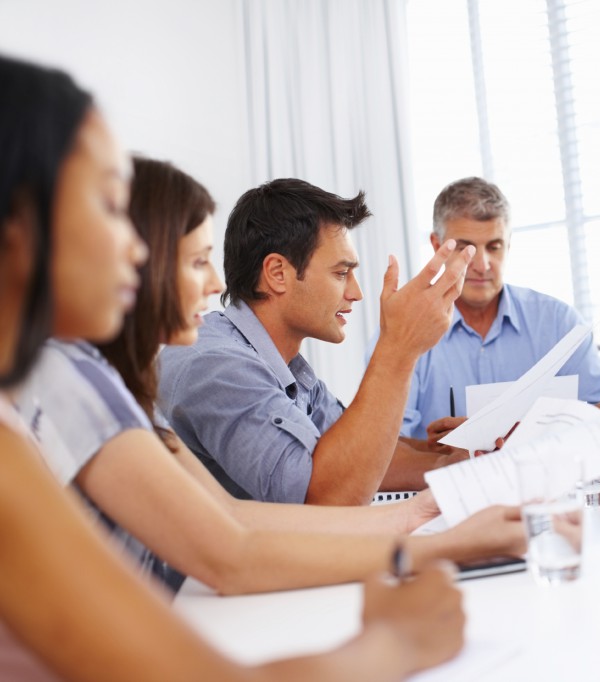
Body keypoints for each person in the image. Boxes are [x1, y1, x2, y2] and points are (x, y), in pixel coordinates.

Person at [0, 53, 464, 682]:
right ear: (18, 225)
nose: (137, 251)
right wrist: (398, 641)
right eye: (109, 206)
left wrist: (435, 508)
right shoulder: (71, 380)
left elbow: (232, 521)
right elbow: (242, 550)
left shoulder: (89, 378)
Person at [17, 156, 524, 594]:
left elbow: (233, 522)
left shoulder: (112, 382)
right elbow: (255, 541)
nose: (217, 283)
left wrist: (429, 504)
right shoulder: (173, 367)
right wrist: (398, 348)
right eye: (197, 262)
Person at [158, 178, 477, 505]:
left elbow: (355, 455)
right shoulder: (217, 368)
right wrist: (398, 347)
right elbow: (325, 496)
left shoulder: (288, 368)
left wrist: (451, 457)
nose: (356, 293)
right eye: (341, 273)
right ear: (277, 273)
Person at [397, 176, 600, 444]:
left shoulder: (559, 323)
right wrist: (450, 449)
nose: (482, 264)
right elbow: (385, 447)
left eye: (494, 246)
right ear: (437, 247)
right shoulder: (403, 332)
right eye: (465, 248)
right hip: (443, 484)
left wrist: (523, 432)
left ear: (509, 244)